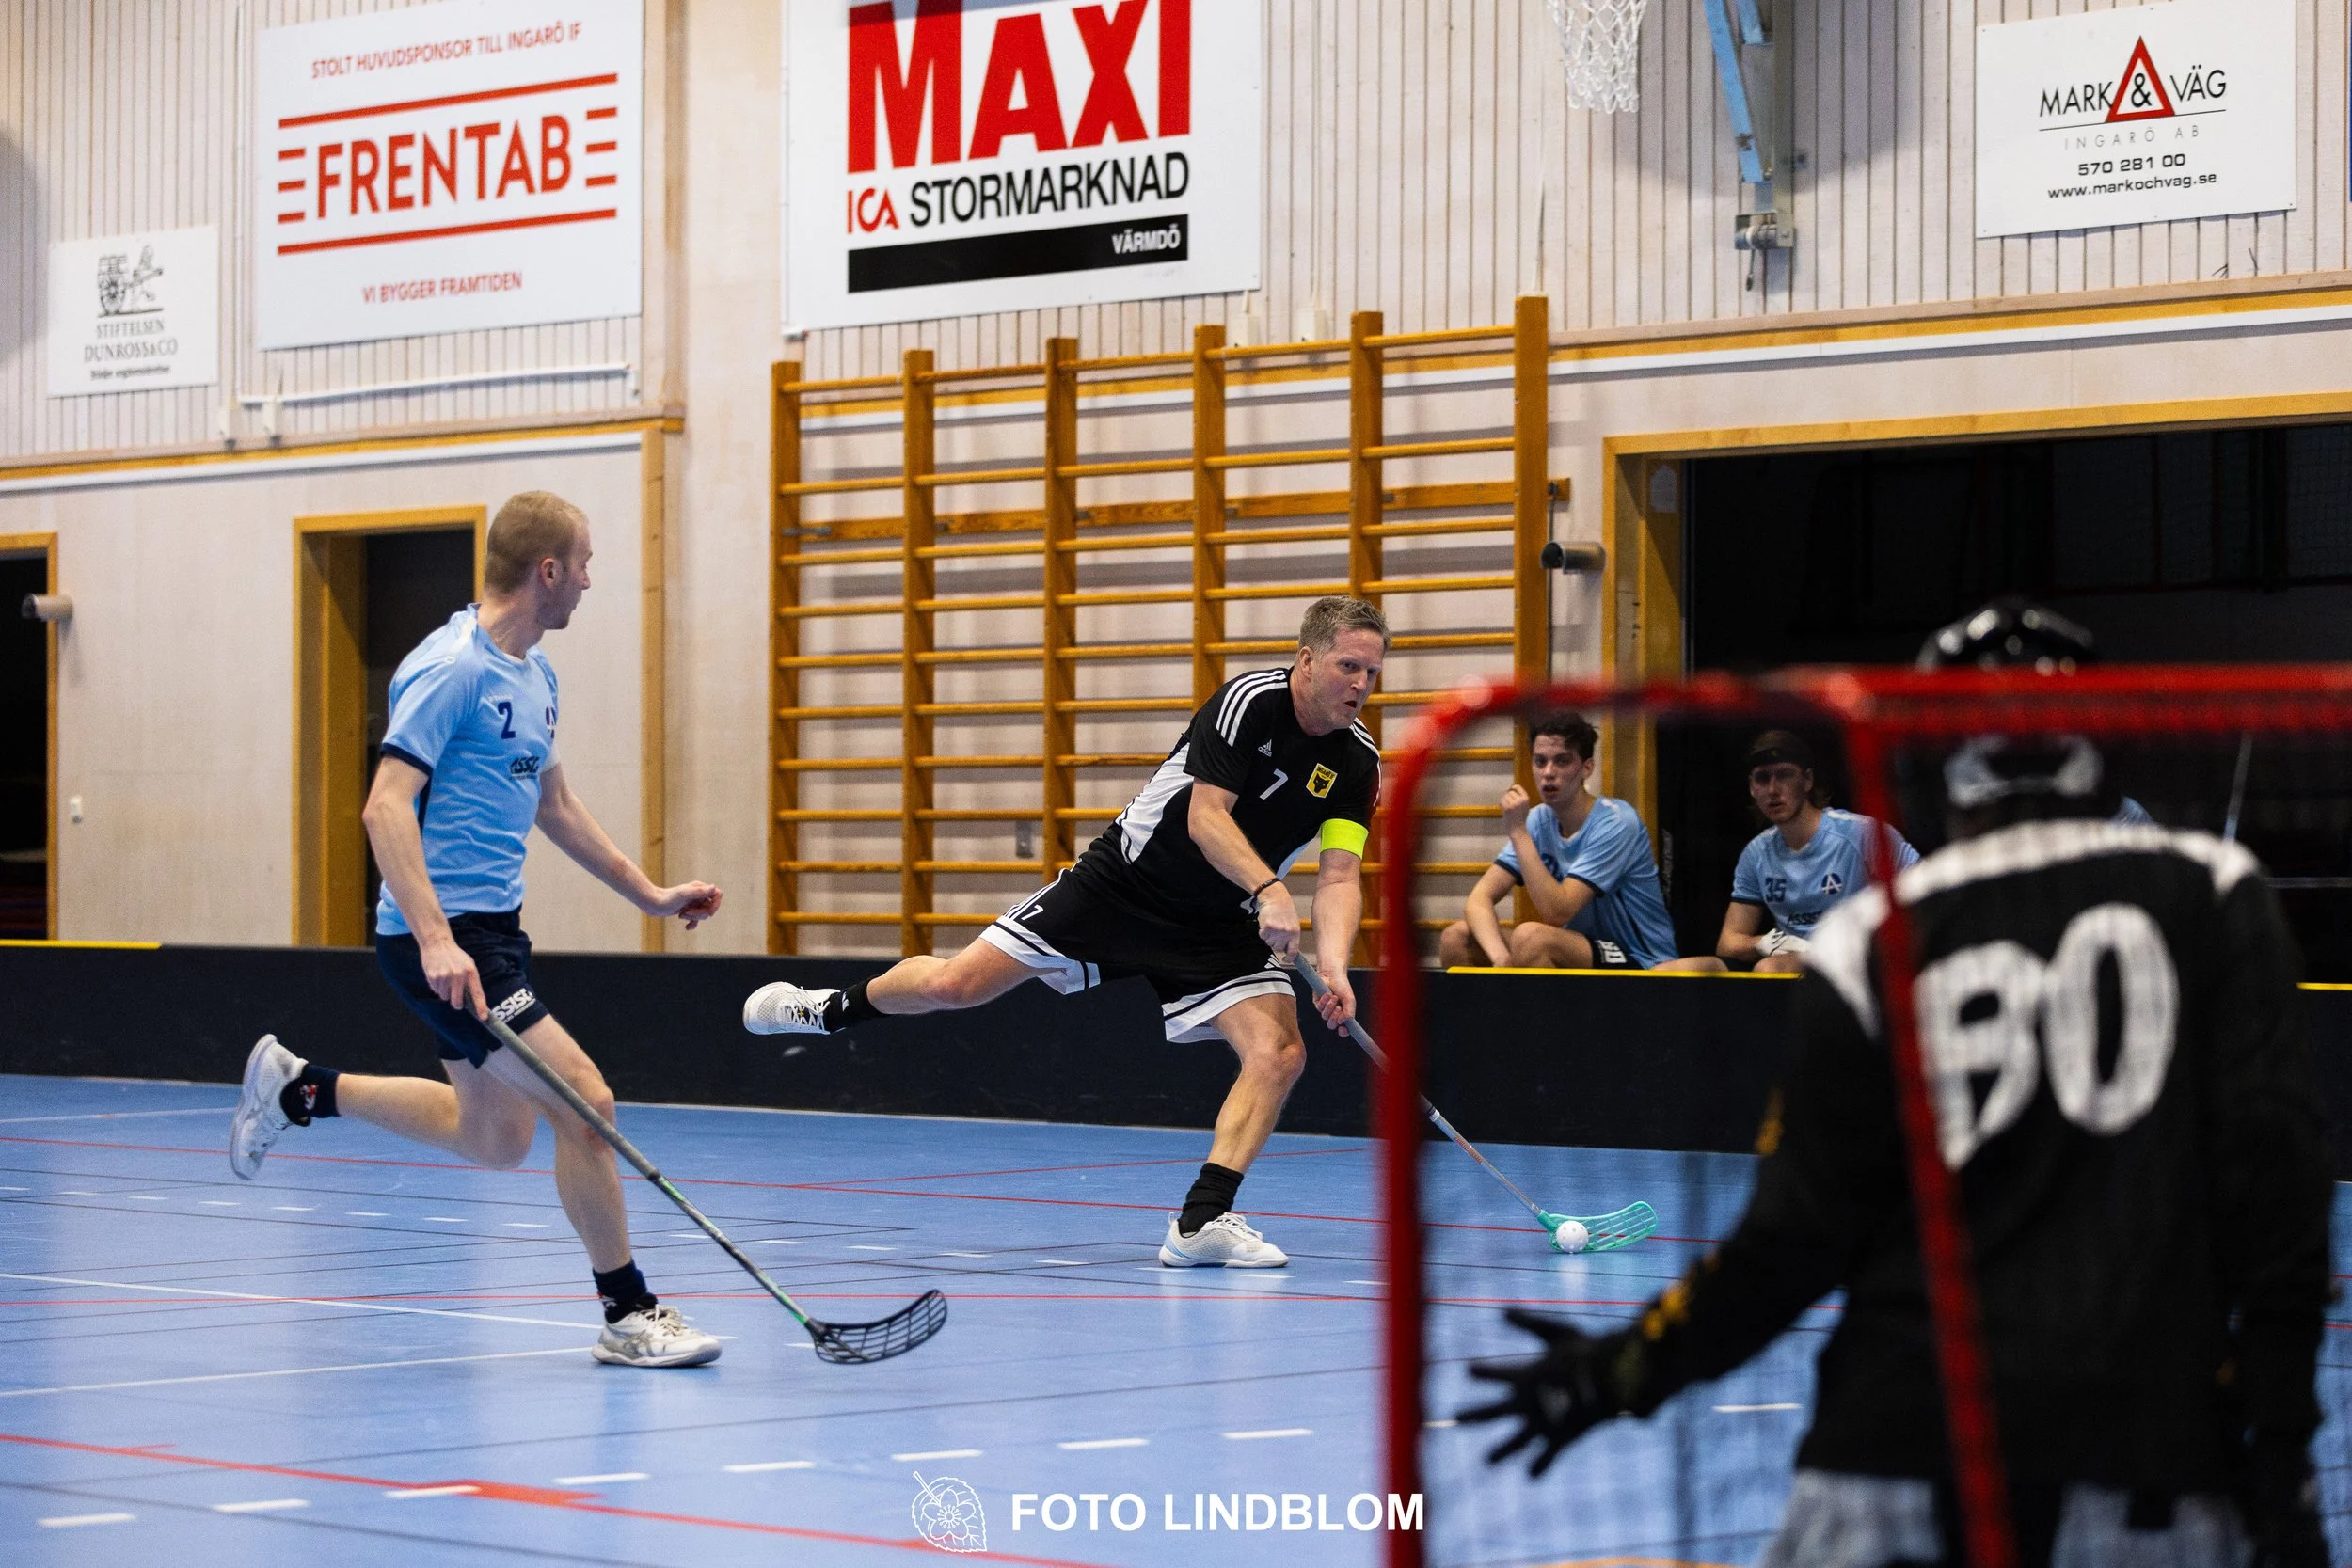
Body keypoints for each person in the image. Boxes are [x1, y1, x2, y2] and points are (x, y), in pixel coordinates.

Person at [1461, 597, 2331, 1568]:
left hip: (1894, 1455)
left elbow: (1789, 1240)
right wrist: (2283, 1453)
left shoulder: (1882, 935)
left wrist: (1621, 1368)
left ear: (1930, 757)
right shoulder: (2214, 893)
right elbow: (2281, 1209)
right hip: (2154, 1464)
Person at [227, 492, 729, 1369]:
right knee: (588, 1105)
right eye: (583, 563)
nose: (588, 580)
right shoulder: (451, 666)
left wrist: (649, 894)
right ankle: (629, 1311)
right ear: (547, 571)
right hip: (445, 939)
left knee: (496, 1139)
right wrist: (432, 938)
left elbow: (555, 803)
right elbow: (384, 808)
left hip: (491, 934)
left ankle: (301, 1088)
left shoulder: (535, 676)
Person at [739, 596, 1389, 1269]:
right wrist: (1270, 887)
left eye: (1372, 673)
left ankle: (1201, 1220)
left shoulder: (1359, 761)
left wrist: (1336, 964)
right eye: (1348, 666)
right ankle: (828, 1009)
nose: (1360, 685)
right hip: (1121, 888)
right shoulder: (1248, 703)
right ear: (1307, 659)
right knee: (956, 984)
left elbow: (1341, 875)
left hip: (1218, 921)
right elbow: (1205, 818)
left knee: (1279, 1051)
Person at [1438, 712, 1724, 974]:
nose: (1548, 772)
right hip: (1584, 949)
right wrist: (1501, 958)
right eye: (1540, 761)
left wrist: (1518, 832)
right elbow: (1478, 901)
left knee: (1532, 938)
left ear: (1587, 768)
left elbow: (1557, 912)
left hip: (1639, 959)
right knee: (1457, 938)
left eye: (1562, 761)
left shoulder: (1616, 822)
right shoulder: (1537, 820)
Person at [1716, 730, 1918, 973]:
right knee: (1678, 969)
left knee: (1768, 969)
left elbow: (1926, 894)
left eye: (1784, 775)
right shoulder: (1756, 853)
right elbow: (1728, 942)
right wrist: (1767, 943)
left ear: (1808, 781)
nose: (1772, 789)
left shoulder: (1862, 834)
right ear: (1751, 788)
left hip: (1858, 964)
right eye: (1762, 778)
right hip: (1795, 968)